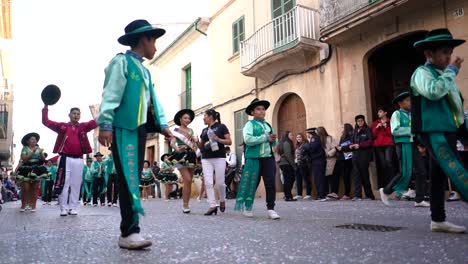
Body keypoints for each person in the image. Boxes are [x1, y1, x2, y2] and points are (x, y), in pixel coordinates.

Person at [97, 19, 172, 249]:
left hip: (139, 129)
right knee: (128, 179)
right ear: (144, 39)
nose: (156, 47)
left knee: (133, 178)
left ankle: (131, 230)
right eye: (154, 41)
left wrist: (163, 125)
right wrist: (106, 124)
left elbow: (153, 101)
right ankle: (129, 233)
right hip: (123, 129)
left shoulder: (145, 71)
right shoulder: (121, 62)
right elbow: (111, 93)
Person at [410, 28, 467, 233]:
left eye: (450, 52)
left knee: (439, 175)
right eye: (444, 52)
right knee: (456, 169)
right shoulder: (422, 73)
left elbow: (456, 107)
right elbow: (433, 92)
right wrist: (452, 72)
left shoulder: (445, 75)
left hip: (448, 130)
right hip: (433, 131)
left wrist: (464, 133)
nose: (448, 57)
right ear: (429, 54)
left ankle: (438, 219)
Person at [42, 103, 97, 216]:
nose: (76, 116)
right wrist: (45, 107)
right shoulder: (62, 126)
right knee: (64, 183)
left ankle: (73, 207)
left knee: (76, 184)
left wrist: (105, 109)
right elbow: (46, 122)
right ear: (69, 115)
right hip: (64, 158)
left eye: (78, 114)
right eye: (74, 113)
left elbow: (96, 121)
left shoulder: (83, 126)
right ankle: (63, 208)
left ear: (80, 116)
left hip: (79, 159)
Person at [379, 92, 429, 207]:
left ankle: (419, 199)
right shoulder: (397, 114)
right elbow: (395, 130)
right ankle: (386, 191)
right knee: (404, 172)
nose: (410, 102)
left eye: (410, 100)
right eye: (407, 100)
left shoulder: (412, 114)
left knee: (421, 171)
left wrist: (421, 144)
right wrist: (411, 129)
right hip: (402, 145)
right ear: (400, 103)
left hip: (412, 145)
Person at [234, 98, 280, 220]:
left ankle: (271, 209)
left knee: (270, 184)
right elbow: (248, 140)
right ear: (253, 112)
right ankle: (247, 206)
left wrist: (274, 139)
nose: (262, 111)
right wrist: (266, 137)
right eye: (258, 109)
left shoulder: (268, 125)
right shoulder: (249, 125)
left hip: (268, 158)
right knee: (252, 183)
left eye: (263, 109)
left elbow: (273, 142)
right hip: (254, 159)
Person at [198, 109, 232, 215]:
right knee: (208, 182)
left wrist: (218, 139)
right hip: (206, 158)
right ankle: (212, 205)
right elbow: (201, 146)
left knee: (220, 183)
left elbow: (229, 141)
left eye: (205, 116)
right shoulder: (204, 130)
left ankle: (222, 199)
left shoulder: (221, 127)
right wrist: (195, 142)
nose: (203, 118)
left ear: (211, 117)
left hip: (219, 157)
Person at [170, 109, 198, 213]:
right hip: (180, 156)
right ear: (180, 119)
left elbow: (194, 145)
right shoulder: (176, 130)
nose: (188, 120)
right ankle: (185, 205)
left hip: (191, 155)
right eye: (185, 118)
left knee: (189, 181)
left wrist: (196, 141)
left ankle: (186, 204)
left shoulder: (191, 131)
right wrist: (177, 148)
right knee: (187, 179)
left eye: (189, 118)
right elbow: (172, 142)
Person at [343, 115, 375, 201]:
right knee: (356, 176)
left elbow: (370, 141)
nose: (360, 122)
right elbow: (351, 141)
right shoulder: (354, 131)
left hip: (364, 156)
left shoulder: (367, 130)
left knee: (365, 176)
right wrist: (349, 146)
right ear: (356, 122)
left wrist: (360, 145)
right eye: (358, 121)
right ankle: (358, 195)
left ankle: (369, 195)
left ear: (364, 121)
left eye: (361, 120)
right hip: (355, 156)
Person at [16, 133, 48, 212]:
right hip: (26, 169)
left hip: (36, 169)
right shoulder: (25, 148)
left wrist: (40, 153)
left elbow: (44, 160)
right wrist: (32, 152)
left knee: (35, 188)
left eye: (35, 139)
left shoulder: (38, 148)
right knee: (25, 189)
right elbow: (24, 159)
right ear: (27, 141)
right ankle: (24, 205)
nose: (34, 140)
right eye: (32, 139)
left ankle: (33, 206)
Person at [371, 107, 395, 188]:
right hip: (378, 146)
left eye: (380, 112)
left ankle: (392, 182)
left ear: (385, 113)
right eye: (378, 112)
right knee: (383, 164)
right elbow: (372, 136)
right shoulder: (375, 123)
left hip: (388, 144)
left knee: (389, 162)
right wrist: (377, 128)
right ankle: (386, 184)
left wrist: (386, 127)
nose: (378, 113)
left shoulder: (390, 122)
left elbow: (393, 134)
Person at [304, 128, 327, 201]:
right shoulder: (313, 138)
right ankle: (320, 195)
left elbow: (312, 148)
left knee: (319, 178)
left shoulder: (315, 138)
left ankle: (322, 195)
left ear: (309, 133)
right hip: (316, 161)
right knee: (317, 178)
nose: (306, 135)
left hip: (318, 161)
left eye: (307, 133)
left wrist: (305, 146)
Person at [316, 127, 339, 200]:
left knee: (332, 177)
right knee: (324, 178)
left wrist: (328, 154)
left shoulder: (330, 138)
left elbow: (335, 147)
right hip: (323, 161)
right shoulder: (318, 140)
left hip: (331, 160)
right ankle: (326, 193)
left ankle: (334, 193)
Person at [333, 124, 354, 200]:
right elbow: (340, 146)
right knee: (337, 174)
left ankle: (347, 194)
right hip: (341, 158)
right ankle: (334, 193)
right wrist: (338, 147)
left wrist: (341, 148)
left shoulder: (352, 135)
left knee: (346, 176)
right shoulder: (342, 136)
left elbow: (351, 146)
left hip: (349, 158)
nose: (342, 129)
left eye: (343, 127)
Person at [277, 131, 297, 201]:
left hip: (284, 164)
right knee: (289, 179)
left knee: (288, 180)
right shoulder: (286, 143)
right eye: (291, 135)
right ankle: (288, 196)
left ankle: (288, 196)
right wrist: (294, 166)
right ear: (287, 136)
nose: (292, 136)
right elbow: (288, 155)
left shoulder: (283, 143)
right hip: (286, 164)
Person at [294, 133, 311, 200]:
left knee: (306, 179)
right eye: (297, 137)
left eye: (300, 137)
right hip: (297, 164)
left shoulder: (306, 144)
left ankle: (308, 194)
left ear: (303, 138)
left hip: (304, 164)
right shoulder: (297, 145)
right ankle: (299, 194)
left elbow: (307, 154)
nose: (298, 139)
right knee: (298, 179)